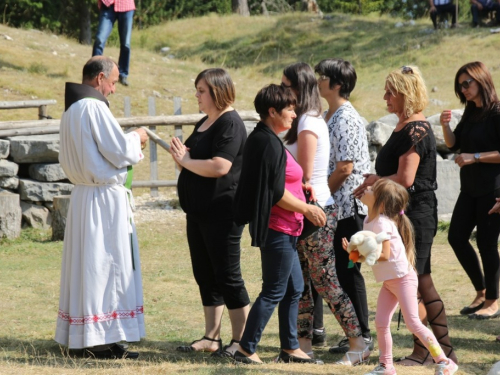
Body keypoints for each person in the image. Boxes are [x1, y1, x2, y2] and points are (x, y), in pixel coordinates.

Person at [354, 66, 457, 366]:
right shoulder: (405, 126)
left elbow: (406, 178)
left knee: (420, 279)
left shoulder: (416, 129)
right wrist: (376, 178)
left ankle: (440, 352)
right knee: (415, 281)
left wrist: (375, 181)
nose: (385, 97)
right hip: (404, 212)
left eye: (391, 92)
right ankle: (427, 351)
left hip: (417, 213)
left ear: (406, 94)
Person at [55, 56, 148, 359]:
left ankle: (91, 336)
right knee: (106, 266)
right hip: (102, 200)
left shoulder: (70, 111)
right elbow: (119, 151)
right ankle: (98, 339)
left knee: (90, 266)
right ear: (99, 79)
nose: (114, 89)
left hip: (86, 197)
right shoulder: (94, 107)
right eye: (113, 81)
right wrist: (137, 138)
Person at [281, 62, 369, 365]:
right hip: (306, 209)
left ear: (297, 88)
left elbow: (303, 176)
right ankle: (303, 345)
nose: (281, 91)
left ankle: (359, 341)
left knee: (326, 280)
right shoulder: (305, 119)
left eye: (285, 86)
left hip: (315, 209)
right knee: (302, 282)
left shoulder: (307, 121)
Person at [233, 84, 326, 365]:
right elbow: (274, 192)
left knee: (294, 287)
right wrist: (307, 208)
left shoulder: (267, 139)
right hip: (279, 228)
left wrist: (304, 191)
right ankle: (245, 349)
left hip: (287, 228)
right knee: (274, 289)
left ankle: (290, 348)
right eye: (289, 109)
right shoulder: (267, 142)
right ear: (272, 111)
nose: (294, 114)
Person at [170, 68, 250, 358]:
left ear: (217, 91)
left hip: (222, 212)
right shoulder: (205, 121)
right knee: (205, 274)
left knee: (227, 275)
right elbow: (191, 162)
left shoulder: (230, 123)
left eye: (201, 90)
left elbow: (220, 166)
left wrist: (186, 160)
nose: (197, 95)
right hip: (199, 212)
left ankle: (241, 341)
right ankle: (211, 337)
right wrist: (181, 160)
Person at [351, 179, 459, 375]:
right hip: (390, 282)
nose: (366, 188)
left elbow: (382, 255)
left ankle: (444, 361)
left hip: (402, 279)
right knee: (381, 323)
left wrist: (358, 255)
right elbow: (370, 250)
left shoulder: (383, 222)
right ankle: (386, 366)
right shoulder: (369, 220)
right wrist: (354, 253)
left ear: (381, 203)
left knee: (413, 323)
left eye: (372, 189)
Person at [314, 58, 374, 355]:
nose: (317, 80)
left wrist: (321, 196)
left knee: (349, 270)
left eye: (322, 76)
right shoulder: (330, 115)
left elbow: (345, 167)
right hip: (337, 208)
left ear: (337, 84)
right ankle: (353, 333)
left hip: (349, 209)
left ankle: (362, 334)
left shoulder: (346, 118)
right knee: (340, 269)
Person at [440, 61, 500, 321]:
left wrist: (475, 157)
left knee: (487, 244)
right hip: (470, 189)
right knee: (455, 237)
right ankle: (481, 290)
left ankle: (493, 300)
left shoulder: (497, 113)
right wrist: (445, 126)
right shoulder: (470, 112)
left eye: (467, 83)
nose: (463, 89)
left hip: (492, 189)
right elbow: (454, 145)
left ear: (481, 80)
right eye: (460, 85)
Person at [92, 0, 135, 86]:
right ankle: (94, 71)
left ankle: (123, 75)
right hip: (108, 5)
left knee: (126, 44)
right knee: (100, 39)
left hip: (126, 6)